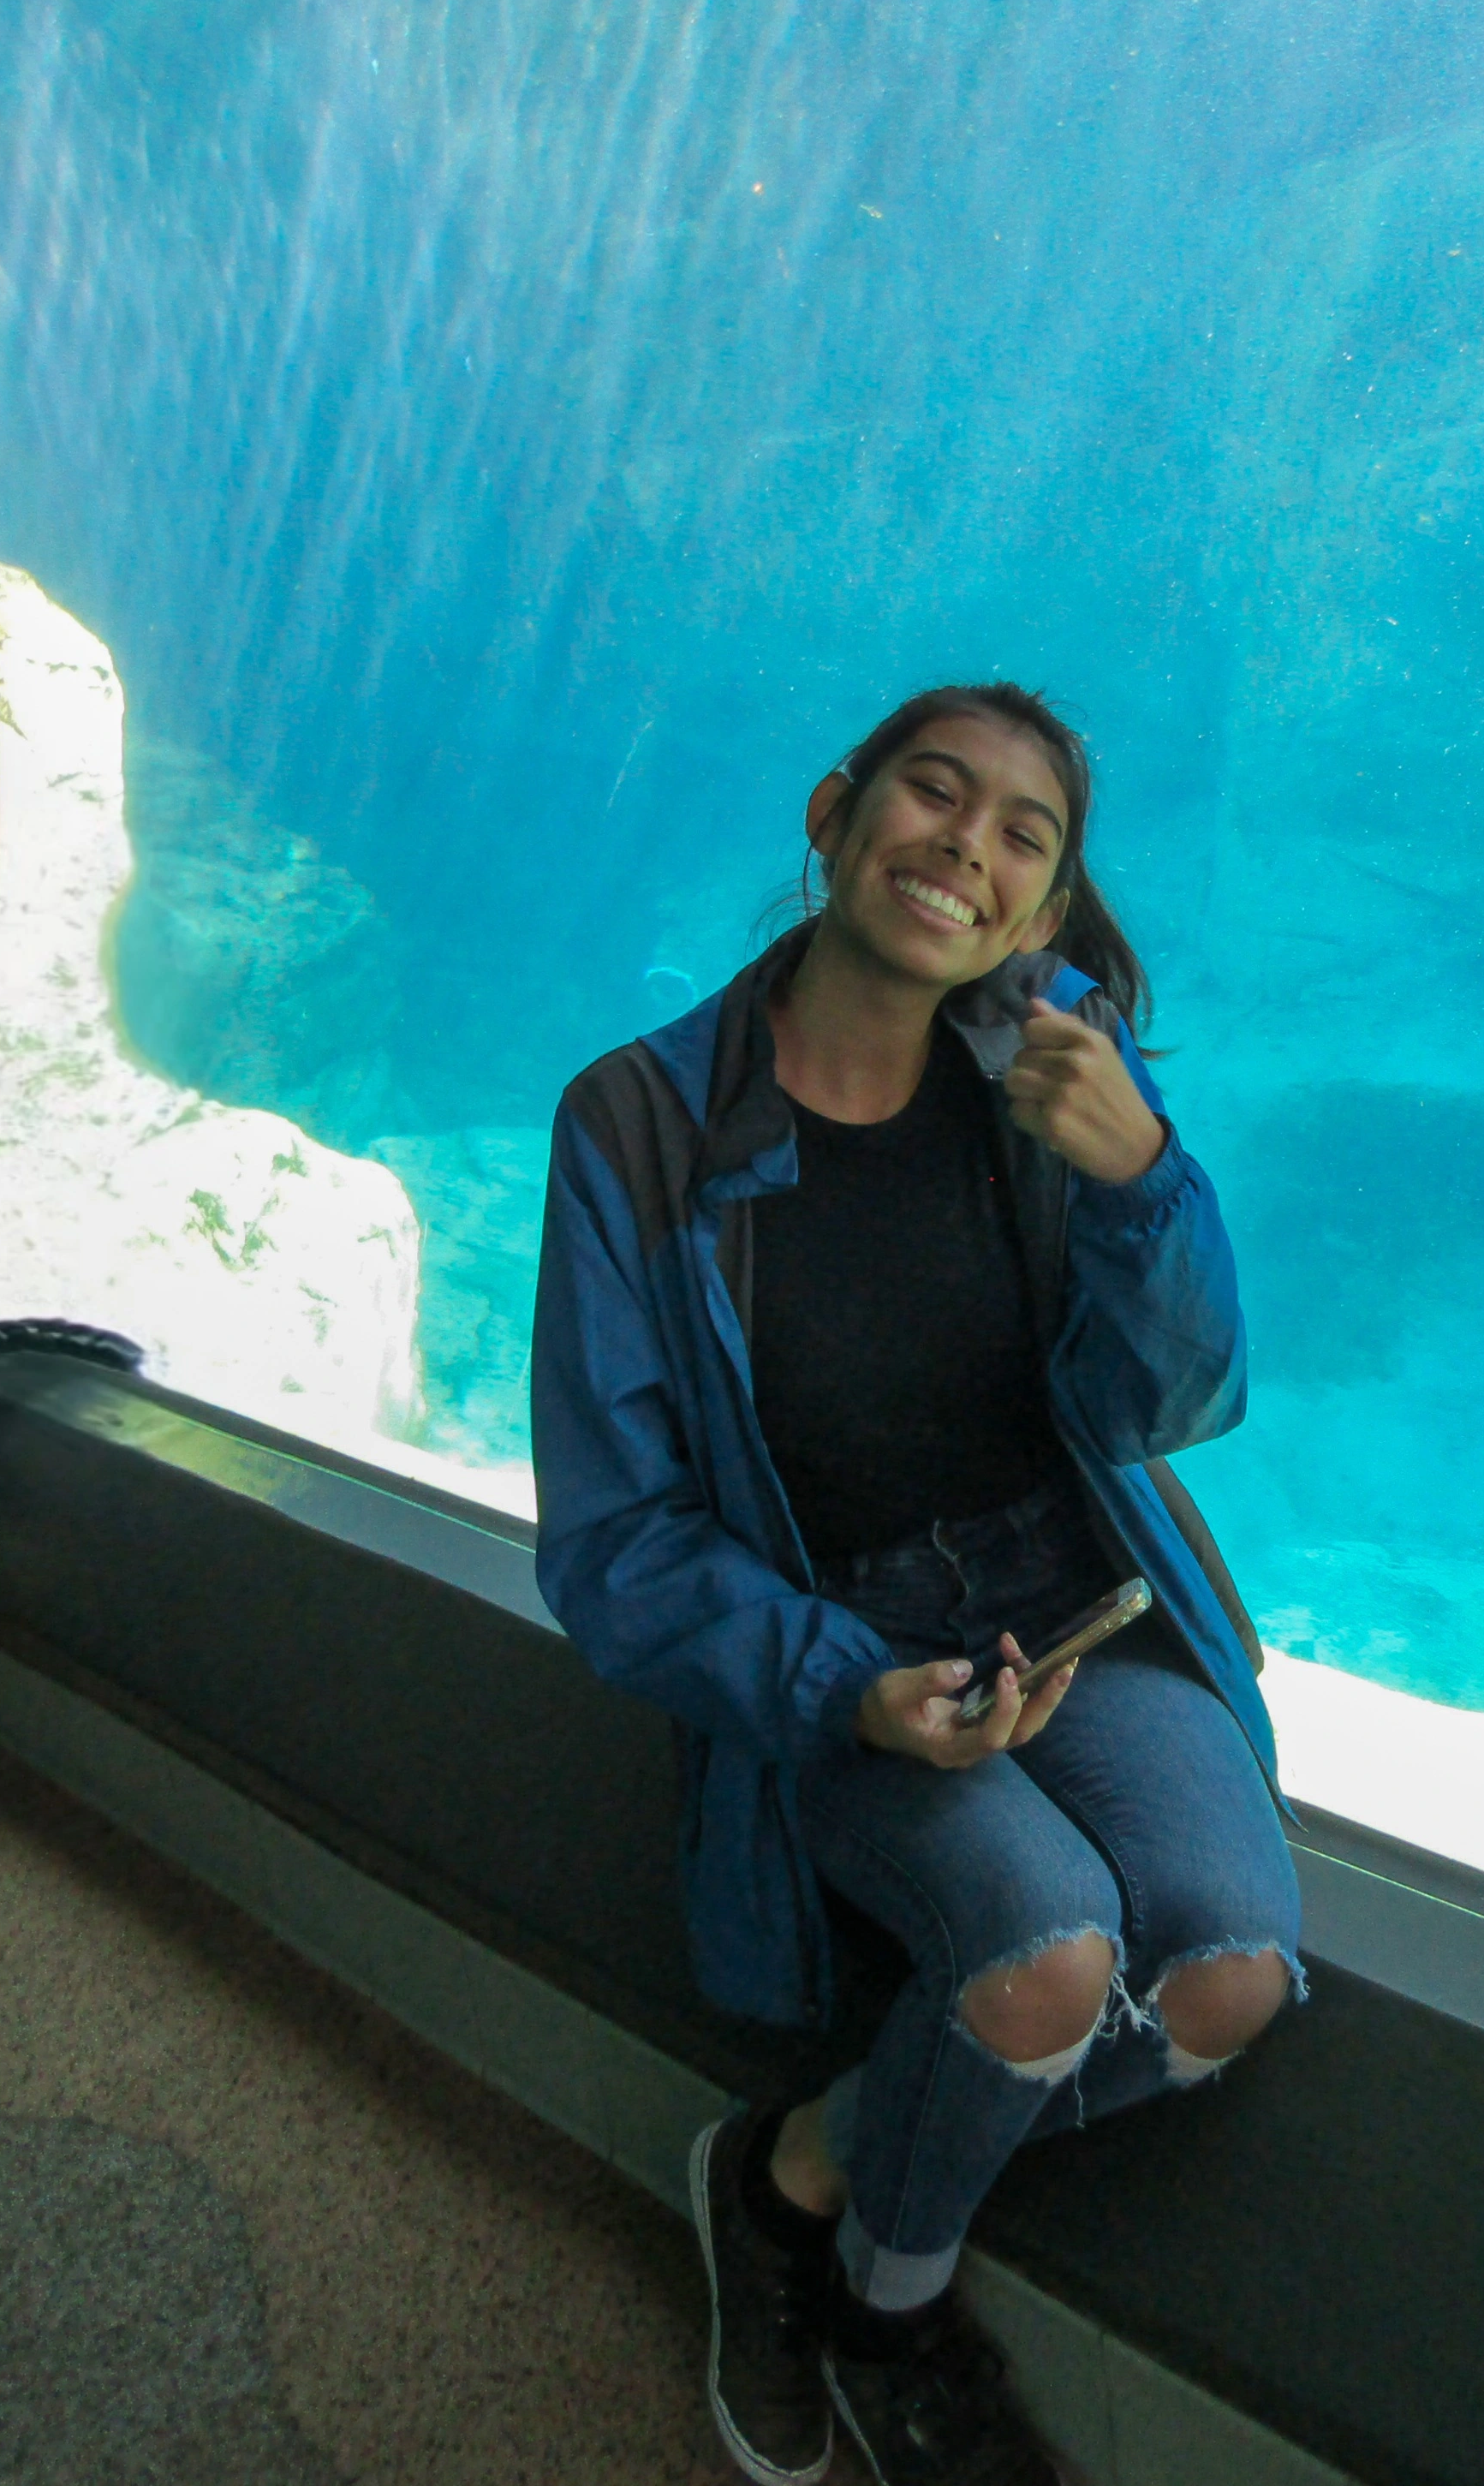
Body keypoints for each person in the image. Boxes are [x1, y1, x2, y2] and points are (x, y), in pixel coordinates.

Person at [528, 685, 1302, 2486]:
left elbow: (1172, 1402)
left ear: (1037, 913)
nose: (965, 842)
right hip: (841, 1636)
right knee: (1039, 1962)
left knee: (1230, 1981)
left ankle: (787, 2171)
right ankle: (887, 2306)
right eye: (931, 794)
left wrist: (1144, 1182)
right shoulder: (637, 1128)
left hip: (1067, 1605)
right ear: (834, 810)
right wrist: (842, 1684)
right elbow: (612, 1543)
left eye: (1022, 833)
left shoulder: (1042, 1083)